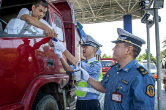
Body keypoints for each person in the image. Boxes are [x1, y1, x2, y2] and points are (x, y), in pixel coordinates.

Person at [78, 28, 155, 110]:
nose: (113, 49)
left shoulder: (142, 77)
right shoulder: (113, 70)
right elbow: (103, 87)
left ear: (128, 50)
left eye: (116, 46)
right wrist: (87, 78)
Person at [52, 35, 102, 110]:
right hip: (80, 101)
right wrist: (60, 56)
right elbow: (68, 68)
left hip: (91, 102)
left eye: (86, 47)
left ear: (93, 49)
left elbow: (78, 65)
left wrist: (64, 50)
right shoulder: (83, 63)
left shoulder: (95, 64)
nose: (83, 49)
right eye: (83, 47)